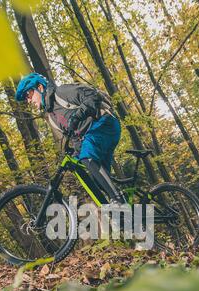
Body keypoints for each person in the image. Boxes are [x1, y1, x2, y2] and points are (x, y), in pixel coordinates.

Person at [15, 72, 125, 203]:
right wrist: (75, 152)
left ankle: (118, 201)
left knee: (87, 157)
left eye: (28, 95)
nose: (28, 101)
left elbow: (93, 96)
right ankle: (128, 215)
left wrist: (78, 115)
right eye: (26, 99)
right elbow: (75, 137)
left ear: (39, 87)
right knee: (98, 180)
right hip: (94, 135)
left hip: (104, 123)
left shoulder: (62, 92)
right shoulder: (52, 117)